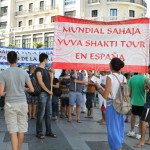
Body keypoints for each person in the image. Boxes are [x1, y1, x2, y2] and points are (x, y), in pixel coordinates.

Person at [0, 51, 34, 150]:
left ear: (7, 61)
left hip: (10, 104)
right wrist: (24, 89)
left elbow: (1, 93)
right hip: (22, 103)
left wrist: (8, 92)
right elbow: (32, 89)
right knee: (21, 130)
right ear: (17, 59)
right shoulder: (24, 72)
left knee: (12, 131)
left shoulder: (3, 74)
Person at [96, 57, 125, 150]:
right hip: (121, 106)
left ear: (111, 66)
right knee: (119, 128)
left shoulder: (110, 77)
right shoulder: (123, 77)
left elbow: (105, 95)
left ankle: (118, 148)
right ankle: (118, 146)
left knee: (112, 130)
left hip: (112, 105)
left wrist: (98, 87)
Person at [36, 53, 56, 139]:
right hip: (42, 94)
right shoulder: (38, 70)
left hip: (47, 94)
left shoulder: (46, 70)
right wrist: (48, 91)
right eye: (47, 60)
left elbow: (50, 81)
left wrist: (52, 73)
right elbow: (40, 83)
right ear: (45, 59)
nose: (48, 61)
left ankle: (48, 130)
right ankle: (39, 132)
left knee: (48, 113)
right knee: (41, 114)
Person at [134, 66, 150, 148]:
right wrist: (147, 86)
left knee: (143, 121)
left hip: (148, 105)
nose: (148, 70)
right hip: (148, 103)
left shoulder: (148, 79)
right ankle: (148, 140)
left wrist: (147, 82)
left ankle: (142, 142)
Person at [127, 73, 146, 140]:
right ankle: (139, 134)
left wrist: (131, 97)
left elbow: (129, 92)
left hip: (134, 101)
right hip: (143, 102)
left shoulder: (132, 78)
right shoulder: (146, 79)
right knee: (142, 119)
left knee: (133, 116)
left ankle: (132, 131)